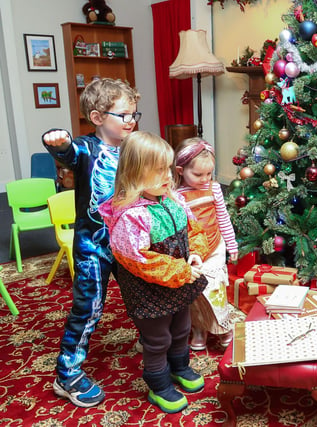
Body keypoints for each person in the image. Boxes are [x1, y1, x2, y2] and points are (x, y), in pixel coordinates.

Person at [42, 77, 141, 408]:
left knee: (142, 292)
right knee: (89, 308)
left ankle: (152, 338)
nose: (131, 121)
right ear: (98, 118)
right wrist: (57, 143)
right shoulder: (86, 149)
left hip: (129, 240)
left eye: (134, 115)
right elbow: (67, 153)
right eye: (123, 115)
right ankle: (67, 373)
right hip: (92, 247)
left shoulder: (132, 146)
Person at [99, 131, 209, 414]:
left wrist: (195, 253)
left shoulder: (172, 199)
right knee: (157, 339)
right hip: (149, 292)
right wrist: (180, 269)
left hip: (178, 282)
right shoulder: (131, 215)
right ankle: (159, 385)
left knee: (181, 328)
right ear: (135, 173)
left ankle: (180, 368)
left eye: (168, 169)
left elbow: (193, 229)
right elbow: (140, 260)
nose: (167, 176)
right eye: (158, 170)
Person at [174, 138, 238, 351]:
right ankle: (199, 329)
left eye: (209, 174)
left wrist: (232, 244)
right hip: (192, 251)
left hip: (215, 247)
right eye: (198, 174)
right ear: (180, 170)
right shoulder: (175, 195)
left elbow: (223, 218)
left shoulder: (214, 189)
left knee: (216, 290)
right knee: (194, 294)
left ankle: (224, 328)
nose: (204, 179)